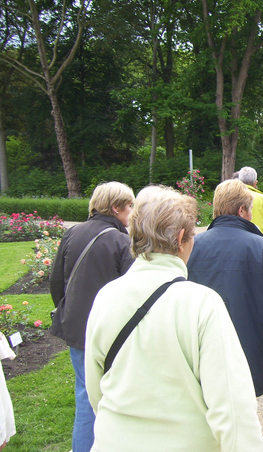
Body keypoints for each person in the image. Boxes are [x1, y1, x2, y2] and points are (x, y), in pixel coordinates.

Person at [85, 185, 263, 452]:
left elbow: (95, 389)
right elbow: (233, 406)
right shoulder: (202, 304)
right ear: (181, 239)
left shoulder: (105, 297)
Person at [187, 179, 263, 397]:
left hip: (201, 352)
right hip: (249, 354)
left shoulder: (192, 247)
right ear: (242, 210)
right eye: (251, 209)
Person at [50, 181, 135, 452]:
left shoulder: (73, 233)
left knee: (85, 397)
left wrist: (70, 310)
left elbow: (55, 282)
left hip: (77, 329)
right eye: (130, 206)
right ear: (116, 208)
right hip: (111, 332)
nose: (132, 211)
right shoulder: (121, 240)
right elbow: (131, 289)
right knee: (114, 398)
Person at [238, 166, 263, 242]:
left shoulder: (232, 198)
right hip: (261, 242)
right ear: (255, 183)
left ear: (239, 181)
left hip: (238, 242)